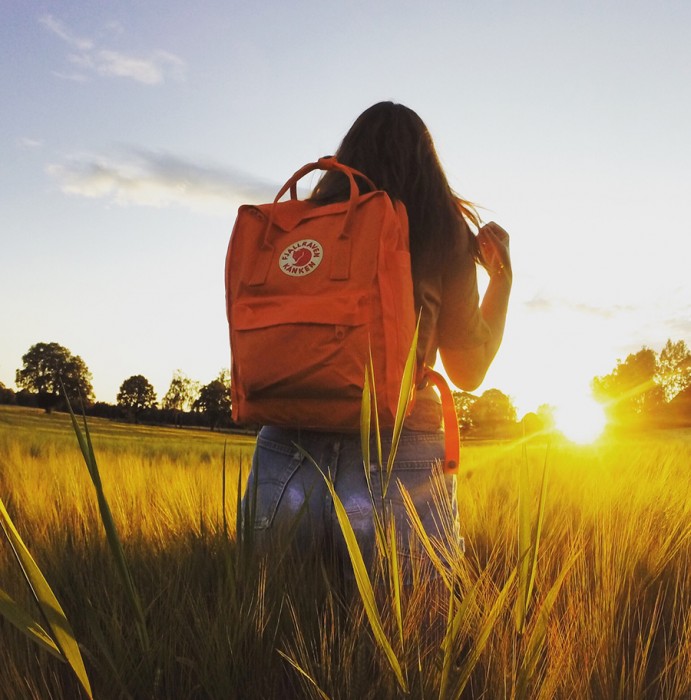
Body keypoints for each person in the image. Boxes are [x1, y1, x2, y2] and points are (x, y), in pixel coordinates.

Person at [238, 102, 512, 580]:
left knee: (272, 633)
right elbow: (468, 371)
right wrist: (502, 280)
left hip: (283, 452)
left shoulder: (301, 224)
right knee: (411, 643)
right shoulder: (441, 226)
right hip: (398, 452)